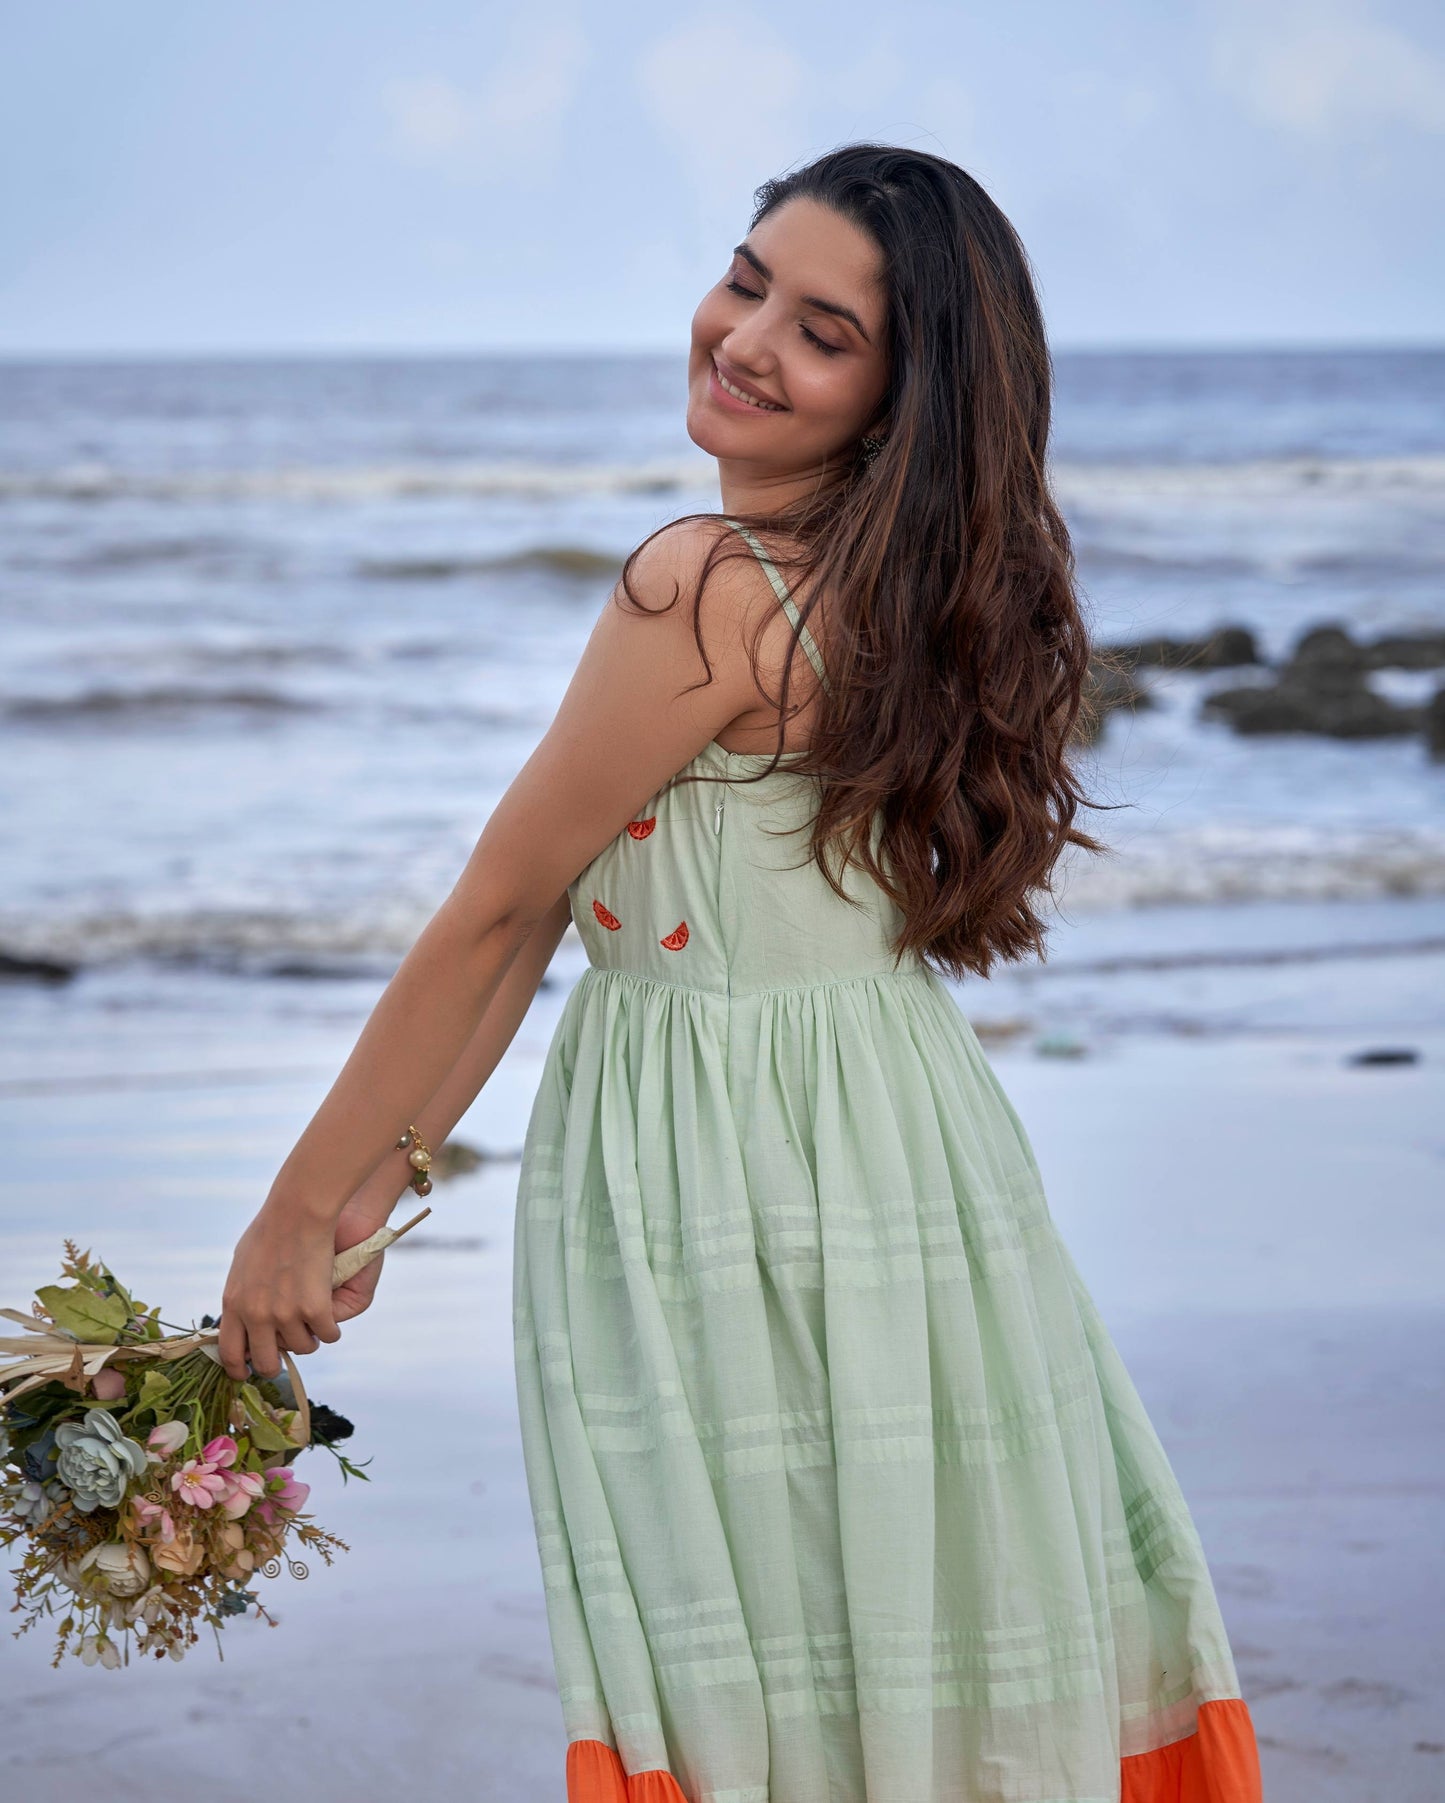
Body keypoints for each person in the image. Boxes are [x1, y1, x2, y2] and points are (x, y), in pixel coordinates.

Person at [220, 143, 1263, 1801]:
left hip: (725, 1178)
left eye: (824, 331)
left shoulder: (702, 584)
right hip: (897, 1151)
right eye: (746, 276)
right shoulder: (893, 586)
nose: (747, 335)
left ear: (899, 401)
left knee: (752, 1651)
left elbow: (498, 910)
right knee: (891, 1616)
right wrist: (375, 1189)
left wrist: (291, 1207)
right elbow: (557, 917)